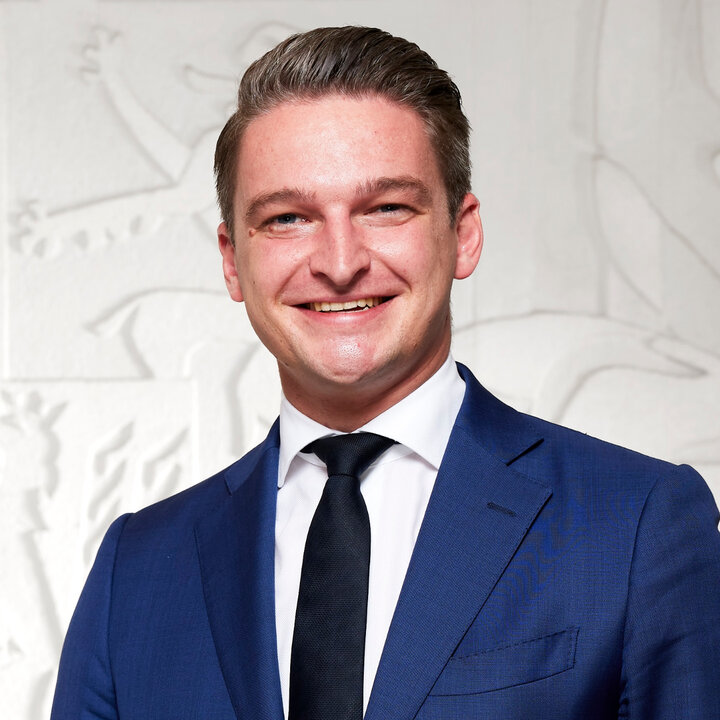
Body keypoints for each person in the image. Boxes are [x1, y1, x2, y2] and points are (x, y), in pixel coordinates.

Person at [51, 26, 720, 720]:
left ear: (463, 234)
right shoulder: (136, 572)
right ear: (232, 261)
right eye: (288, 218)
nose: (340, 263)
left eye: (386, 208)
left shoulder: (636, 525)